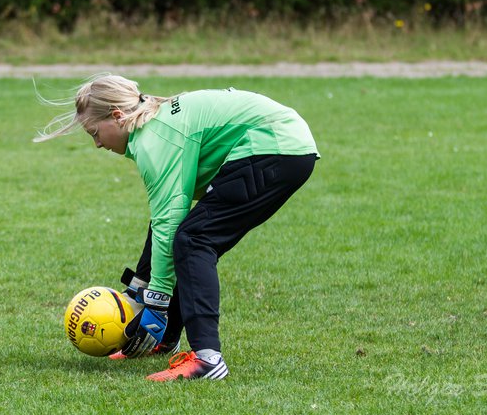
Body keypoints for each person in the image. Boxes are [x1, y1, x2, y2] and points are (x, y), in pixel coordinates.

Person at [36, 74, 319, 381]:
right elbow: (162, 223)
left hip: (276, 146)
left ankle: (207, 359)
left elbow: (170, 224)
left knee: (193, 239)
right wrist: (140, 291)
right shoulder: (151, 125)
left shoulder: (154, 141)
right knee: (185, 233)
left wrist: (155, 303)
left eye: (95, 132)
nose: (97, 144)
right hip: (283, 144)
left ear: (117, 117)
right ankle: (166, 339)